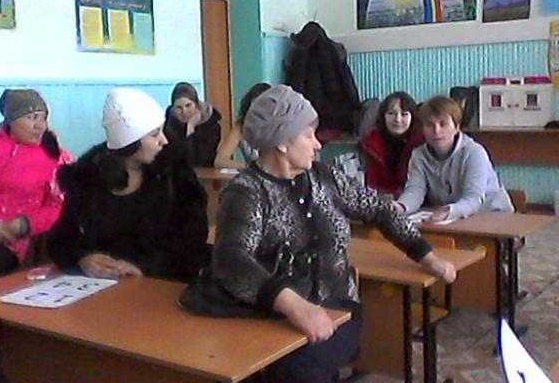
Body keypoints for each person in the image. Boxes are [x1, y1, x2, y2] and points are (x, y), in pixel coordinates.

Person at [212, 85, 456, 383]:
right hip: (268, 314)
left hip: (336, 305)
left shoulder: (324, 177)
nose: (317, 145)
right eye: (309, 135)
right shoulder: (246, 192)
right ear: (283, 143)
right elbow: (231, 260)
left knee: (297, 373)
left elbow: (380, 209)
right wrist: (292, 304)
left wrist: (426, 255)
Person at [48, 87, 210, 282]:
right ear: (130, 143)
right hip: (105, 287)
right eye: (154, 134)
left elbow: (192, 239)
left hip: (163, 284)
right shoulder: (88, 179)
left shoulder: (176, 175)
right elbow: (62, 238)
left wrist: (145, 267)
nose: (164, 140)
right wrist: (82, 258)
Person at [0, 89, 72, 287]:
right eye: (32, 118)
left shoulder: (56, 156)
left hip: (8, 243)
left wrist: (23, 224)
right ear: (11, 119)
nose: (40, 126)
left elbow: (60, 206)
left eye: (44, 118)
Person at [397, 95, 514, 223]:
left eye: (443, 124)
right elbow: (415, 191)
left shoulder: (474, 152)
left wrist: (449, 211)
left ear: (456, 127)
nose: (436, 131)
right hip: (455, 220)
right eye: (429, 125)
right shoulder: (418, 155)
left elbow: (473, 199)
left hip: (493, 216)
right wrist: (399, 207)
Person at [360, 91, 423, 197]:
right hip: (377, 199)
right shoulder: (369, 144)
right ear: (383, 116)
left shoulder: (422, 144)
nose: (397, 119)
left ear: (413, 117)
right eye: (391, 113)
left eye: (404, 114)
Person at [214, 82, 271, 169]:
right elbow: (219, 161)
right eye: (254, 105)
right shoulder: (240, 127)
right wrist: (248, 167)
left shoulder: (279, 127)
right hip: (253, 174)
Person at [164, 82, 222, 167]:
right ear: (173, 109)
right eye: (178, 108)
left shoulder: (212, 125)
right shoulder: (169, 125)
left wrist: (191, 128)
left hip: (205, 172)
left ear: (196, 105)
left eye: (188, 105)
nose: (184, 112)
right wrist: (190, 128)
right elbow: (177, 160)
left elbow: (201, 160)